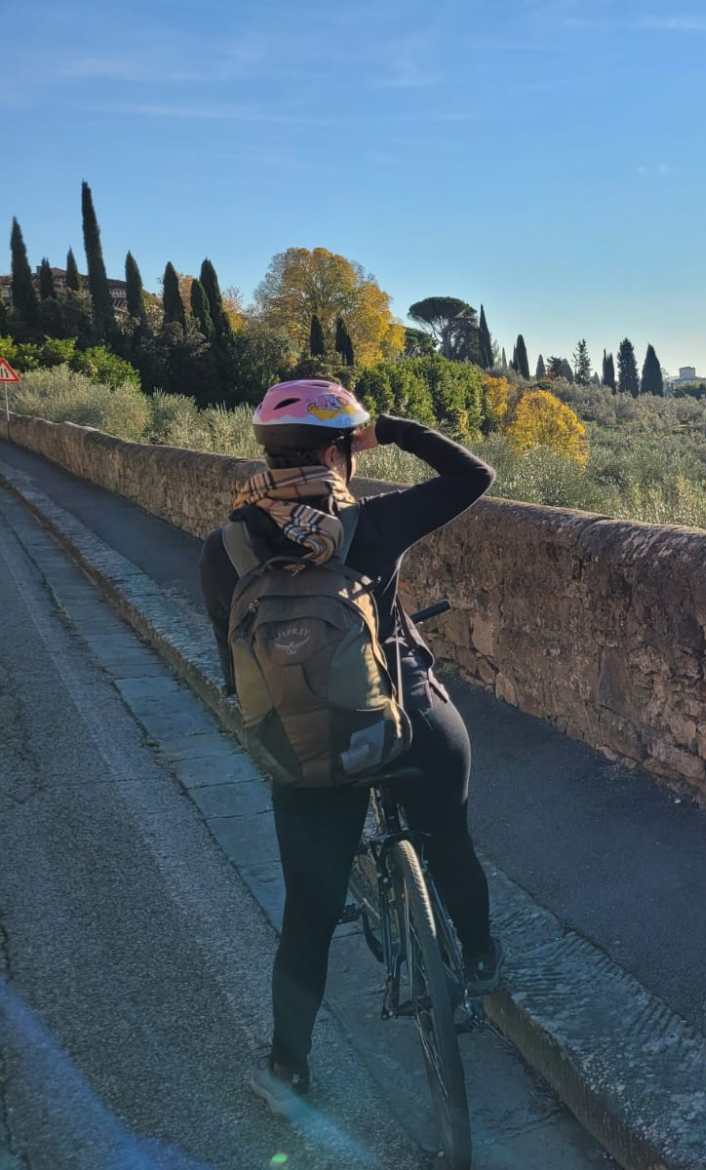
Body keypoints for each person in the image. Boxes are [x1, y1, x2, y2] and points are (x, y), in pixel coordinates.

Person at [198, 378, 502, 1119]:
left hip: (303, 745)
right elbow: (474, 475)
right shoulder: (371, 522)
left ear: (268, 451)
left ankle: (287, 1070)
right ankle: (480, 959)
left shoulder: (227, 546)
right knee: (450, 841)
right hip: (406, 719)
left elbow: (234, 667)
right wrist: (391, 427)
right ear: (340, 450)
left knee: (310, 909)